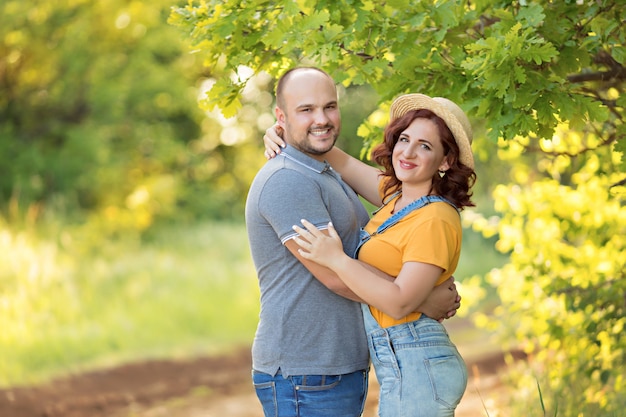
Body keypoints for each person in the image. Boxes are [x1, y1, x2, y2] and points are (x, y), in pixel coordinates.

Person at [246, 67, 460, 417]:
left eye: (329, 107)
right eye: (306, 109)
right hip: (307, 369)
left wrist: (292, 130)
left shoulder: (346, 178)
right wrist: (421, 301)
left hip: (340, 365)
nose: (322, 118)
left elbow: (339, 157)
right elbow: (333, 275)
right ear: (281, 116)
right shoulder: (288, 181)